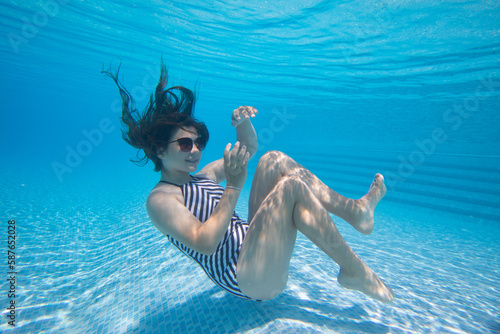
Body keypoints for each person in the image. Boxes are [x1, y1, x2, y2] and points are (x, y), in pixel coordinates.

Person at [104, 64, 394, 303]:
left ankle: (355, 211)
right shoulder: (160, 200)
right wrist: (233, 186)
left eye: (198, 142)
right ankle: (353, 269)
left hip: (259, 247)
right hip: (248, 278)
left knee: (273, 159)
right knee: (291, 187)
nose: (194, 150)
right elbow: (205, 243)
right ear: (158, 149)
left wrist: (240, 123)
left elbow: (248, 148)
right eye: (184, 143)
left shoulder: (203, 176)